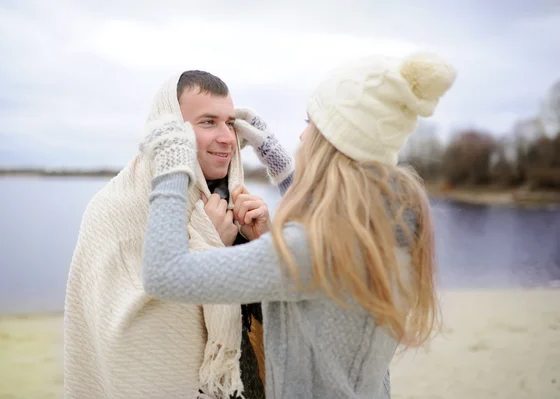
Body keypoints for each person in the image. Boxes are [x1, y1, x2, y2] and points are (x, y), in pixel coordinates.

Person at [139, 52, 457, 398]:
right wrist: (277, 162)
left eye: (311, 123)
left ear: (332, 139)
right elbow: (329, 214)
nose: (302, 137)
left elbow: (164, 273)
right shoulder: (392, 224)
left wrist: (172, 163)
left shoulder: (310, 251)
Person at [64, 70, 292, 399]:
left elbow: (275, 318)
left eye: (230, 122)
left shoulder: (234, 202)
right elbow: (123, 338)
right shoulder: (114, 210)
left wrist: (263, 243)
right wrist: (210, 246)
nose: (227, 138)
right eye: (208, 122)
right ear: (172, 130)